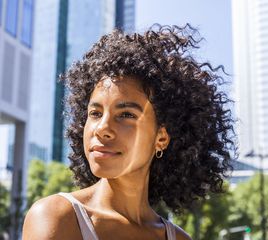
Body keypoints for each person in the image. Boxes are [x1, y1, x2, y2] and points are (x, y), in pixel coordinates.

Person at [23, 24, 235, 240]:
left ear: (161, 138)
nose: (102, 128)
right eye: (95, 113)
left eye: (126, 115)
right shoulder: (57, 217)